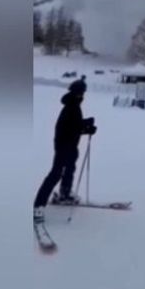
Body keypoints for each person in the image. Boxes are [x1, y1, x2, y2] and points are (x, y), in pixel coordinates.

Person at [34, 76, 96, 225]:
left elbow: (74, 125)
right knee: (55, 174)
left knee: (69, 169)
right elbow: (71, 128)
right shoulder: (71, 107)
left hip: (70, 146)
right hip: (63, 146)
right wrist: (86, 128)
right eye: (81, 93)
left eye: (83, 93)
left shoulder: (73, 105)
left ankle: (64, 194)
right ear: (77, 93)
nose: (83, 96)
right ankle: (38, 206)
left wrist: (86, 124)